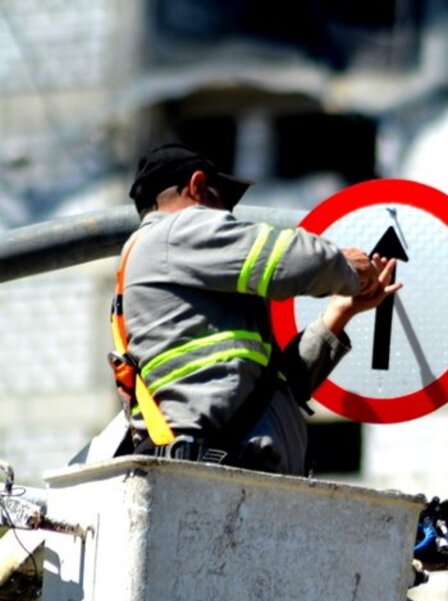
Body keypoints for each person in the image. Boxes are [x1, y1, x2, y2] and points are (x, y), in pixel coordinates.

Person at [112, 142, 399, 475]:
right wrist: (348, 269)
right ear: (197, 186)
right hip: (215, 478)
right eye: (224, 204)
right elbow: (287, 259)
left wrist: (338, 314)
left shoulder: (175, 268)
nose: (228, 218)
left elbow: (273, 387)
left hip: (227, 476)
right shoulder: (174, 233)